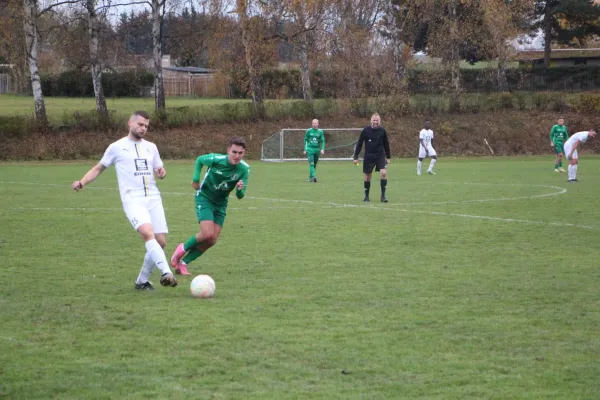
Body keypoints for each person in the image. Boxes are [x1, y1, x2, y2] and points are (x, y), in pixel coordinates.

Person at [72, 110, 178, 290]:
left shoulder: (151, 147)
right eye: (140, 124)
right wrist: (82, 181)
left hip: (153, 198)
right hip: (132, 199)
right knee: (147, 233)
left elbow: (160, 169)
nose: (143, 128)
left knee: (160, 242)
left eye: (146, 126)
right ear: (130, 123)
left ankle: (141, 281)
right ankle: (166, 272)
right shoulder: (116, 147)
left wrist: (162, 172)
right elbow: (98, 168)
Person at [170, 137, 250, 275]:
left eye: (240, 153)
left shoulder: (244, 169)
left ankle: (183, 264)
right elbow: (200, 160)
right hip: (205, 198)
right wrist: (196, 178)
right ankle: (181, 249)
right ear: (228, 150)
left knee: (212, 239)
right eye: (234, 152)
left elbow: (240, 196)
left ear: (244, 153)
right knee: (207, 233)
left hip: (221, 204)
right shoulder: (216, 159)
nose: (237, 156)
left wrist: (239, 189)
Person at [352, 113, 391, 203]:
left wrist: (388, 157)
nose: (375, 122)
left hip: (380, 156)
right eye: (374, 120)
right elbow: (360, 143)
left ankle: (383, 196)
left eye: (377, 120)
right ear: (371, 120)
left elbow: (386, 144)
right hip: (369, 156)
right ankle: (366, 197)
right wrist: (356, 157)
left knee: (384, 173)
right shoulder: (366, 130)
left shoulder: (382, 131)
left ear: (379, 121)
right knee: (367, 176)